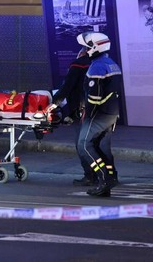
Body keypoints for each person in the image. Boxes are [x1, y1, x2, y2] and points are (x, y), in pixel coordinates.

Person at [76, 31, 122, 197]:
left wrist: (87, 114)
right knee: (101, 147)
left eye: (86, 46)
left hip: (99, 115)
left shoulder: (97, 66)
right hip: (111, 114)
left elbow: (94, 97)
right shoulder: (111, 64)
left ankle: (104, 179)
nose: (84, 49)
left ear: (95, 47)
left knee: (84, 145)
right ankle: (111, 175)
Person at [47, 48, 94, 185]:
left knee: (82, 145)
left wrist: (54, 103)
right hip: (100, 111)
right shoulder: (98, 65)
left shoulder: (77, 64)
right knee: (99, 145)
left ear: (81, 53)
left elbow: (68, 87)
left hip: (85, 111)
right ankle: (107, 175)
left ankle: (90, 176)